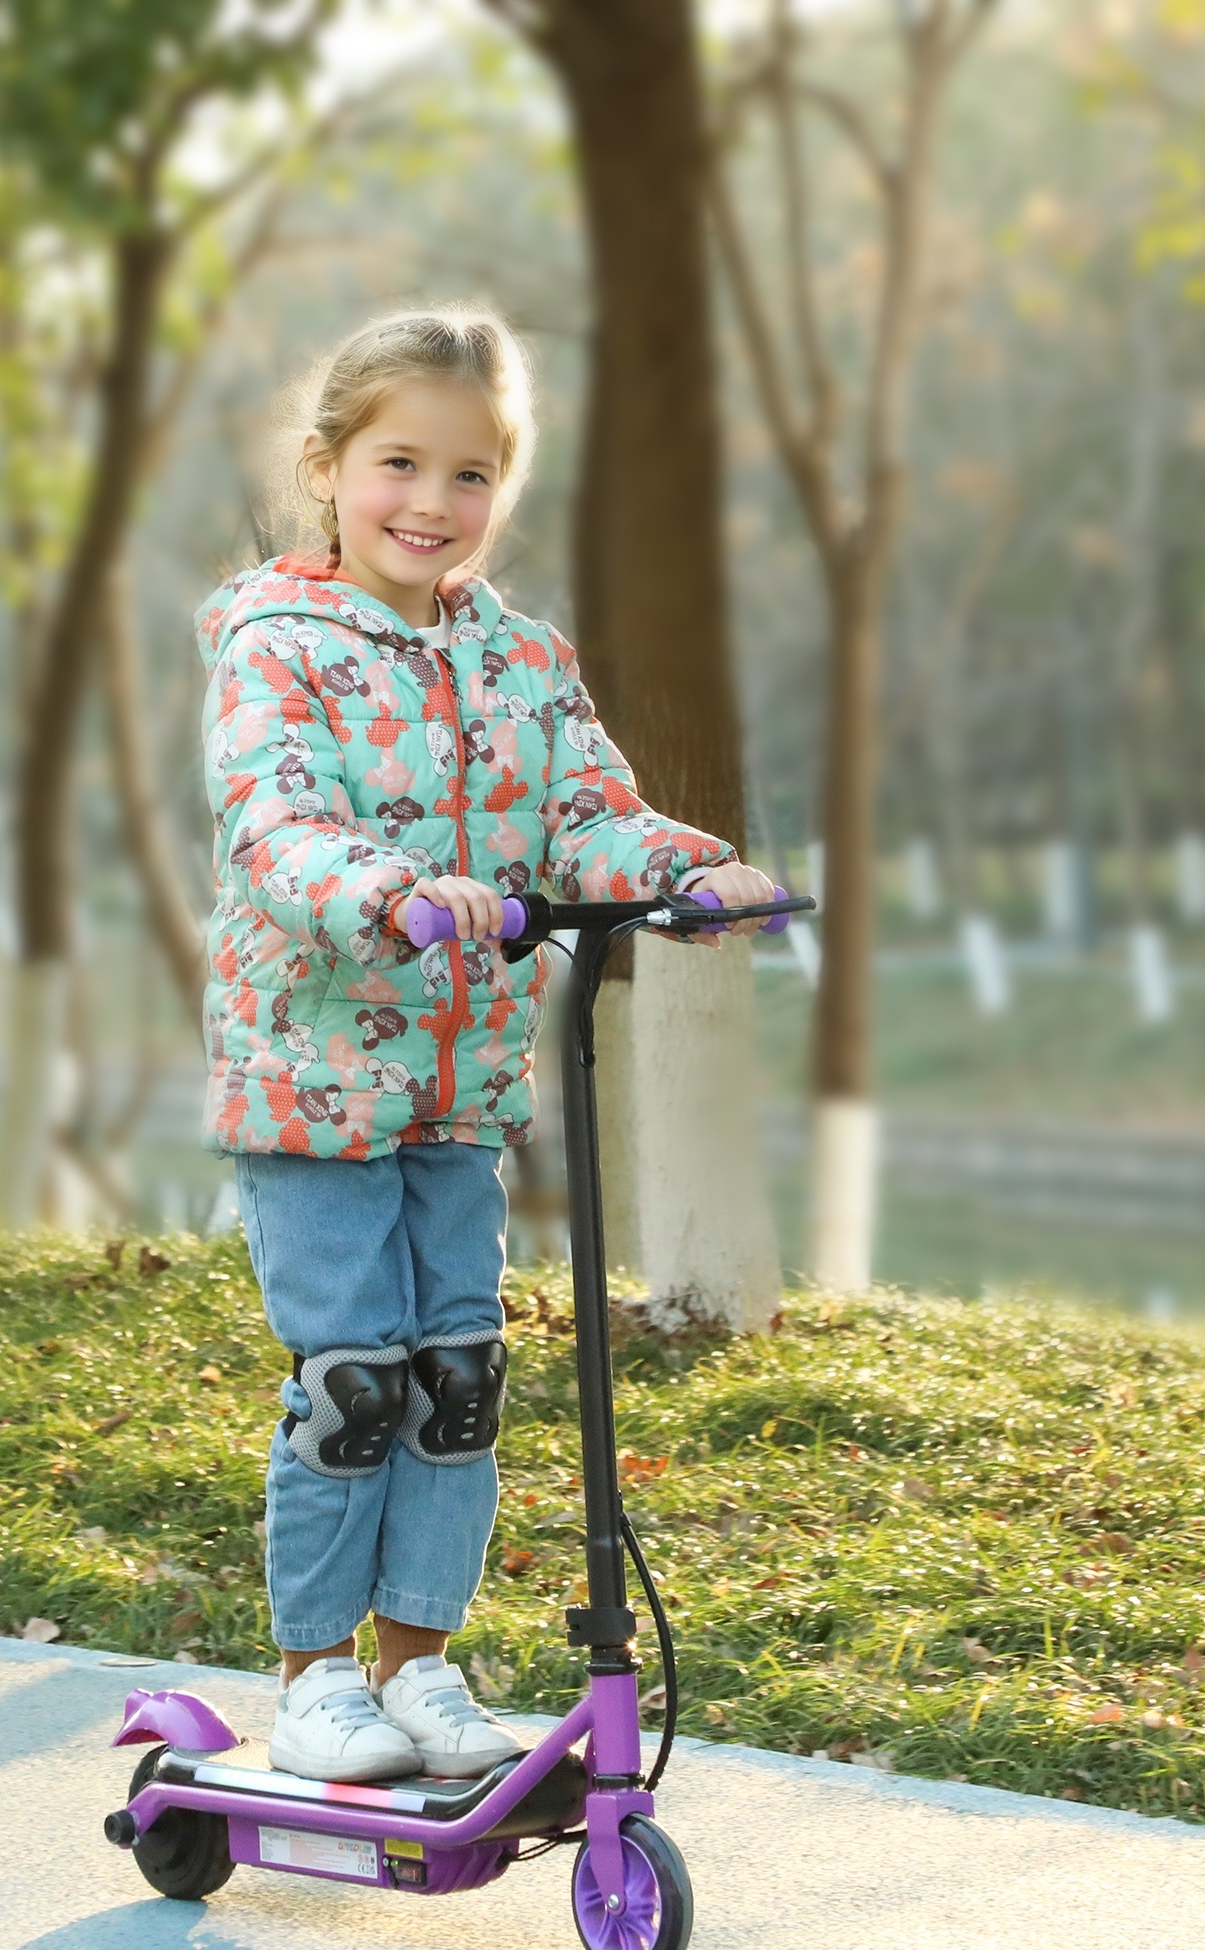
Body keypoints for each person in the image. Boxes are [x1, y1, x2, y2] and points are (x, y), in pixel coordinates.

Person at [197, 304, 774, 1783]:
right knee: (355, 1384)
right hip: (317, 1090)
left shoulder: (521, 659)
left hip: (460, 1090)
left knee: (457, 1379)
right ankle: (315, 1681)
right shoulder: (276, 647)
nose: (432, 503)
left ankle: (418, 1668)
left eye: (471, 474)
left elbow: (587, 814)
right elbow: (276, 827)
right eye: (400, 463)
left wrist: (688, 873)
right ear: (328, 467)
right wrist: (393, 892)